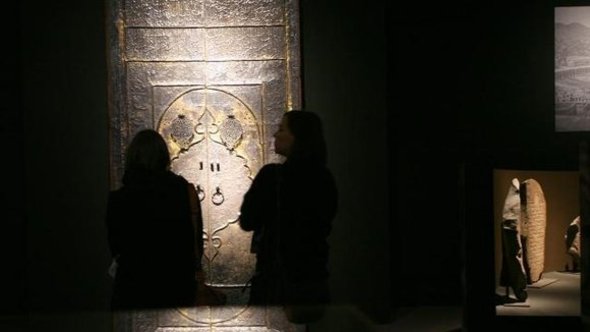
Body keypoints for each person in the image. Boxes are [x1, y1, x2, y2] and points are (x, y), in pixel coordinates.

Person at [239, 110, 338, 323]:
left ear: (297, 137)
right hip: (312, 276)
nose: (275, 134)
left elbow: (247, 220)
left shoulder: (272, 176)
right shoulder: (325, 178)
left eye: (282, 129)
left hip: (277, 279)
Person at [105, 129, 201, 310]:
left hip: (132, 290)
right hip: (176, 288)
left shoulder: (119, 199)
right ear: (163, 156)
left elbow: (116, 246)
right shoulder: (182, 191)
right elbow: (194, 243)